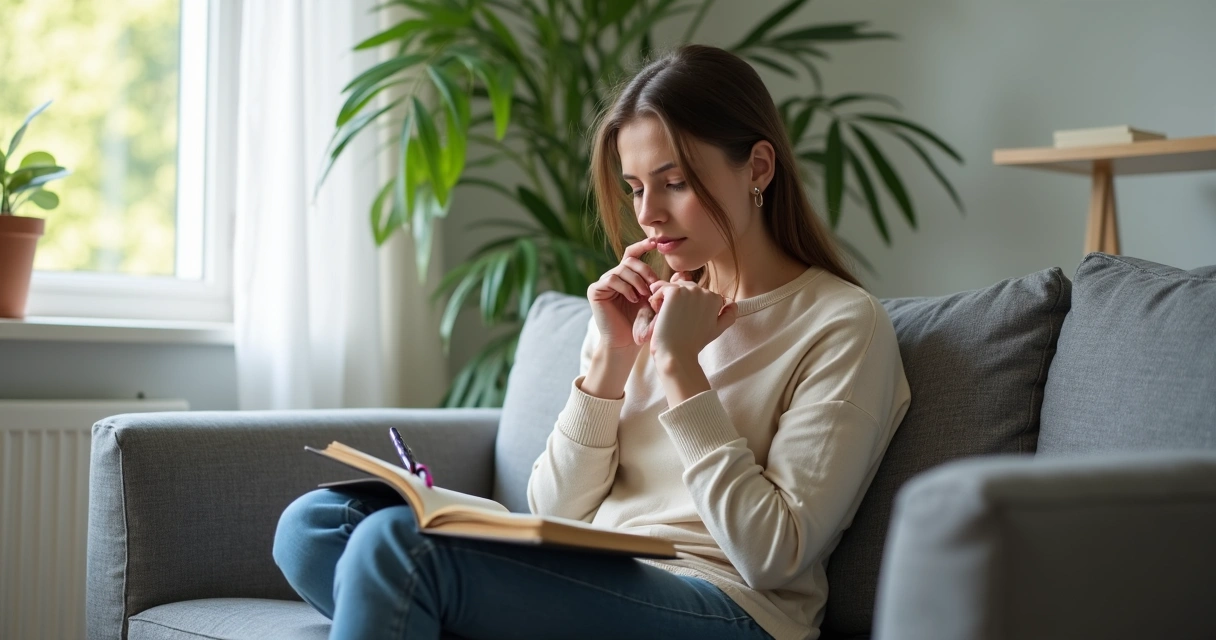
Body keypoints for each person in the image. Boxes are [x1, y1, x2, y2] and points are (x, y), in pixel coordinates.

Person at [273, 43, 911, 640]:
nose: (647, 213)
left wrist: (680, 367)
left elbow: (773, 554)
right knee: (314, 527)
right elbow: (555, 512)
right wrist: (612, 357)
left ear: (759, 168)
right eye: (635, 187)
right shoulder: (643, 310)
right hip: (598, 577)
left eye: (675, 182)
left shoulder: (841, 324)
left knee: (393, 548)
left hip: (728, 605)